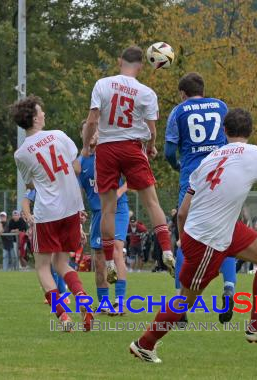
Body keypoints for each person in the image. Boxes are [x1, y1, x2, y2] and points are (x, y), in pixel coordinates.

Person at [129, 108, 257, 363]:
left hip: (217, 228)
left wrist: (184, 240)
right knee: (184, 300)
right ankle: (144, 344)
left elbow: (183, 211)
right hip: (210, 236)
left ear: (224, 132)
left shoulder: (209, 158)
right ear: (251, 131)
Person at [82, 45, 175, 282]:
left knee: (108, 209)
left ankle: (111, 262)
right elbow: (152, 129)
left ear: (119, 61)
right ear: (142, 66)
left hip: (106, 149)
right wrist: (152, 145)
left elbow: (93, 119)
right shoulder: (146, 92)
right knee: (152, 203)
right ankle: (166, 250)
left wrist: (86, 145)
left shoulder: (102, 84)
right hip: (133, 147)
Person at [11, 95, 93, 330]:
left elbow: (30, 184)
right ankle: (84, 302)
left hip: (47, 212)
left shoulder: (21, 153)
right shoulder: (58, 135)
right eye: (41, 111)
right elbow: (73, 165)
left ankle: (63, 316)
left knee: (43, 266)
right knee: (62, 264)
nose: (44, 113)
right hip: (71, 207)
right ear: (35, 117)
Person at [164, 72, 237, 321]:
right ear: (203, 90)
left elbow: (168, 151)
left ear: (183, 94)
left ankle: (180, 302)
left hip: (192, 179)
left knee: (186, 237)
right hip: (221, 176)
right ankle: (229, 287)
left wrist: (177, 165)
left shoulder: (179, 111)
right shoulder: (221, 106)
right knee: (225, 234)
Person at [77, 123, 130, 315]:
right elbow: (77, 191)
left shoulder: (112, 153)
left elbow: (132, 178)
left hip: (117, 209)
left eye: (95, 130)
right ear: (82, 135)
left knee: (116, 250)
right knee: (98, 258)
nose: (92, 134)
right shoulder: (80, 161)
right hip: (98, 212)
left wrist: (117, 194)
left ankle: (120, 302)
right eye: (88, 131)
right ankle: (104, 303)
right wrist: (78, 212)